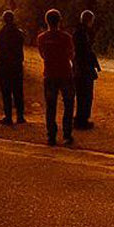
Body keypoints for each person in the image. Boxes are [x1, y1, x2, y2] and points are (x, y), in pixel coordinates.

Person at [37, 9, 75, 146]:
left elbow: (42, 54)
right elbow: (71, 55)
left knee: (50, 106)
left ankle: (51, 136)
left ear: (46, 21)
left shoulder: (41, 38)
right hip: (65, 73)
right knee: (68, 104)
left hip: (49, 74)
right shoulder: (66, 37)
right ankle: (67, 135)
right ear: (59, 21)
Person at [0, 10, 27, 125]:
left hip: (4, 65)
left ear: (4, 20)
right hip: (16, 65)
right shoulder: (19, 33)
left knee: (6, 92)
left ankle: (8, 116)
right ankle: (20, 116)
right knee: (18, 91)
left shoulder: (0, 34)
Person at [72, 10, 101, 130]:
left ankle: (79, 118)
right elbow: (87, 52)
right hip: (84, 68)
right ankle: (83, 120)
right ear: (89, 20)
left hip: (78, 67)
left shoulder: (76, 32)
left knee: (80, 94)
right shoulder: (84, 34)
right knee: (86, 95)